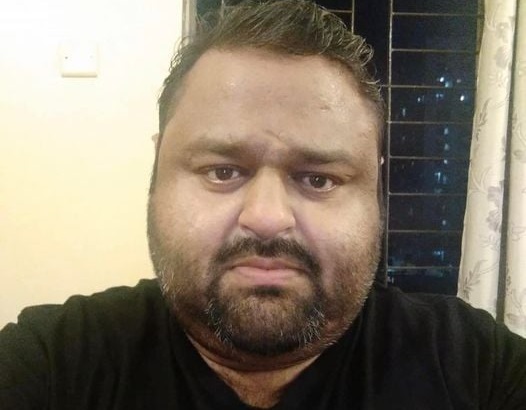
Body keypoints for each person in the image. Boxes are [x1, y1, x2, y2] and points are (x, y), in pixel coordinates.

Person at [1, 1, 525, 408]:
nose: (268, 218)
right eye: (222, 171)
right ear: (157, 169)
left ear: (376, 189)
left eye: (318, 178)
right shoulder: (52, 364)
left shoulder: (478, 370)